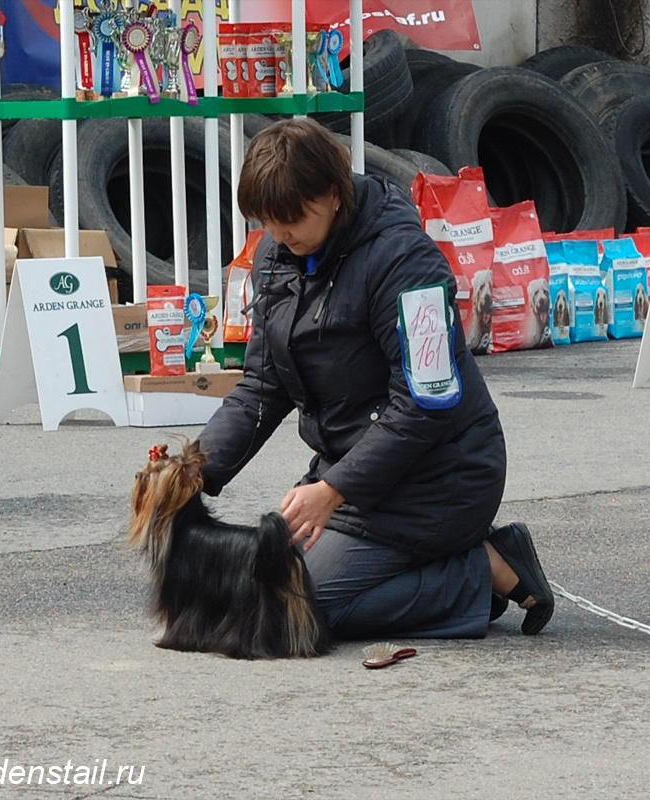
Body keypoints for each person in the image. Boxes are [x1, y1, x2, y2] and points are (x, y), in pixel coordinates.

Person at [197, 117, 553, 640]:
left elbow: (426, 403)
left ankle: (483, 568)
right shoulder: (276, 257)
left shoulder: (407, 261)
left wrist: (333, 490)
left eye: (292, 217)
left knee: (300, 611)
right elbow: (262, 385)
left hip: (442, 478)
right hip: (355, 474)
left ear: (334, 194)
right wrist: (197, 468)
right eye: (268, 220)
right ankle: (439, 567)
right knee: (255, 592)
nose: (279, 233)